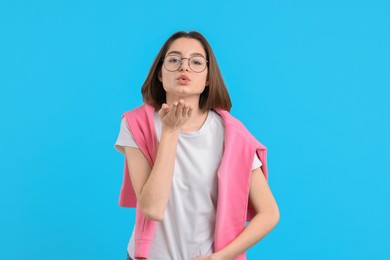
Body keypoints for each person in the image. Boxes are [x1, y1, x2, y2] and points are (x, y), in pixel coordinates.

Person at [115, 31, 279, 260]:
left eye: (196, 62)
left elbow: (269, 213)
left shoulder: (232, 135)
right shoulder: (136, 124)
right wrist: (170, 131)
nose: (184, 67)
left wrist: (219, 257)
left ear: (208, 77)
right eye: (174, 60)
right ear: (160, 73)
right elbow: (152, 208)